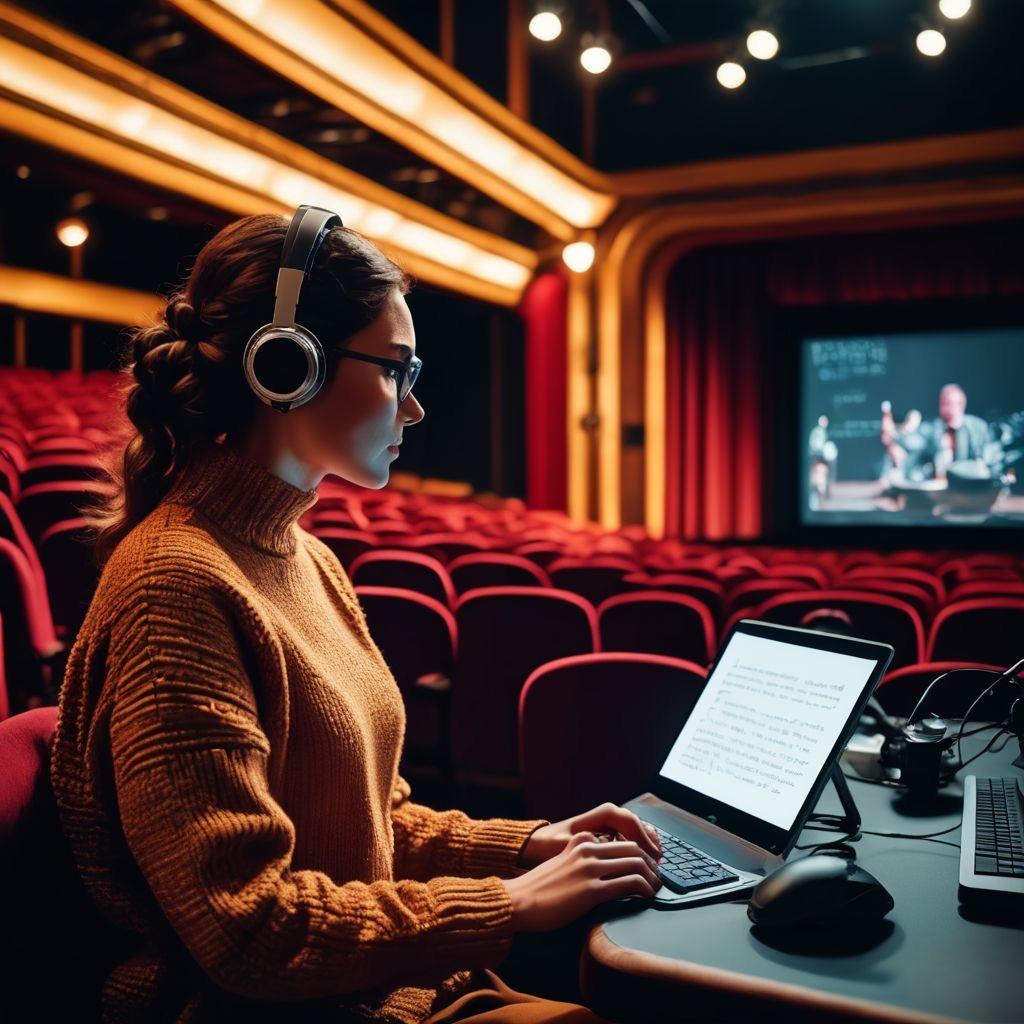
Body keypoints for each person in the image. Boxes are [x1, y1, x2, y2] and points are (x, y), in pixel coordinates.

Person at [49, 211, 665, 1024]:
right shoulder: (178, 588)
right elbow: (247, 933)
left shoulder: (307, 559)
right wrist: (509, 906)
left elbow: (374, 823)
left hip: (382, 989)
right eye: (395, 371)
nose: (413, 412)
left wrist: (530, 846)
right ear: (285, 368)